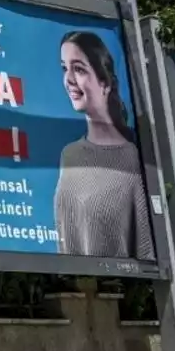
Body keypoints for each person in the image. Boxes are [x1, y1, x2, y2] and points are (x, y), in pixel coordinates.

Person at [52, 31, 154, 260]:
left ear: (104, 83)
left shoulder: (133, 157)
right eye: (64, 68)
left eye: (78, 69)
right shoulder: (70, 155)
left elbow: (147, 250)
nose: (68, 79)